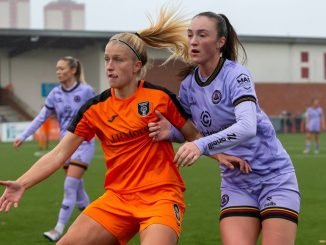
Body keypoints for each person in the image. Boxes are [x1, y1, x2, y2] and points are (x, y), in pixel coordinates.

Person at [0, 7, 248, 245]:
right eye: (107, 59)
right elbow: (58, 154)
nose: (110, 66)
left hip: (161, 197)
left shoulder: (159, 98)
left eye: (118, 60)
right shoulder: (94, 108)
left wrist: (219, 154)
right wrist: (23, 183)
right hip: (117, 199)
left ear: (137, 66)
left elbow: (193, 134)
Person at [149, 12, 300, 245]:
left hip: (274, 178)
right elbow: (191, 131)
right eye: (190, 35)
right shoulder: (189, 86)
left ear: (220, 42)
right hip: (236, 183)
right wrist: (170, 131)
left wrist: (199, 145)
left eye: (202, 35)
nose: (193, 41)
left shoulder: (236, 75)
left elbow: (247, 127)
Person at [13, 56, 96, 242]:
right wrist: (23, 135)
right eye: (56, 69)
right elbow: (41, 117)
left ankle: (58, 229)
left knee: (69, 186)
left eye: (61, 68)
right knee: (78, 191)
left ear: (73, 70)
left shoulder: (87, 91)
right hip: (64, 147)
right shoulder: (54, 94)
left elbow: (102, 113)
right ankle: (95, 221)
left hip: (83, 144)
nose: (58, 72)